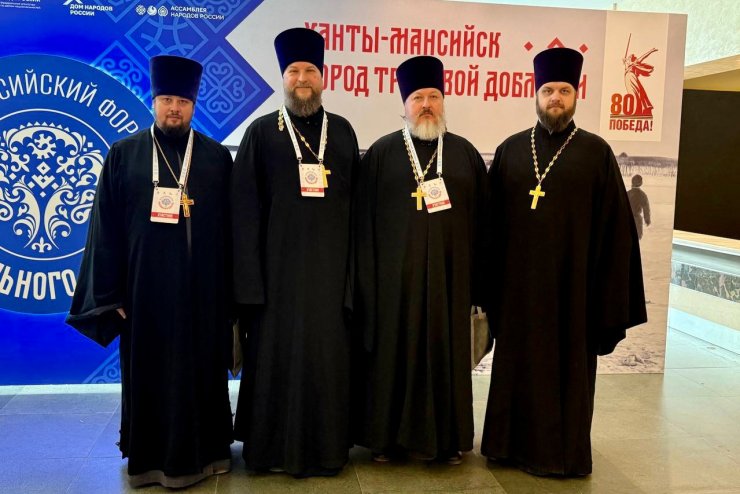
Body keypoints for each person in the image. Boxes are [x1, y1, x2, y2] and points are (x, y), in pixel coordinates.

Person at [66, 55, 234, 488]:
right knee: (151, 379)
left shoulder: (216, 158)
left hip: (203, 296)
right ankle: (149, 461)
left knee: (202, 374)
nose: (174, 109)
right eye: (166, 100)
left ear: (194, 105)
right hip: (144, 296)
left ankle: (210, 454)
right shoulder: (124, 155)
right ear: (154, 101)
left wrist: (231, 296)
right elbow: (104, 230)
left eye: (183, 101)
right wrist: (110, 296)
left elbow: (233, 231)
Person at [481, 47, 647, 477]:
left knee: (567, 374)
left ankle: (561, 456)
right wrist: (486, 289)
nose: (555, 97)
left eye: (564, 90)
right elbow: (489, 227)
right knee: (516, 368)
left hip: (573, 295)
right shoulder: (510, 151)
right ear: (536, 94)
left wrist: (606, 300)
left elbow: (616, 234)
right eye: (548, 90)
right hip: (517, 293)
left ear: (577, 94)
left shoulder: (596, 153)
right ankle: (505, 446)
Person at [230, 27, 360, 478]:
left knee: (326, 363)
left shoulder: (342, 131)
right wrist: (249, 289)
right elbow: (243, 214)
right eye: (293, 71)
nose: (302, 79)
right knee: (274, 363)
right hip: (275, 281)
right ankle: (270, 452)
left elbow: (357, 209)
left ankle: (326, 450)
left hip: (330, 279)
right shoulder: (260, 132)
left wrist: (352, 282)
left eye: (309, 71)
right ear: (282, 78)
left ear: (323, 77)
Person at [352, 56, 489, 465]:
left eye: (433, 96)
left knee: (445, 357)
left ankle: (446, 441)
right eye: (417, 97)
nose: (426, 104)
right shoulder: (381, 153)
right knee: (391, 357)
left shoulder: (465, 154)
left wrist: (477, 285)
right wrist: (367, 284)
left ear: (443, 101)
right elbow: (362, 224)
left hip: (450, 283)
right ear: (404, 104)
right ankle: (386, 440)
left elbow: (484, 223)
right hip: (393, 285)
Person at [628, 174, 651, 239]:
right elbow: (646, 208)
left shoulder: (627, 193)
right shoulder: (642, 195)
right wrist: (647, 220)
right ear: (641, 183)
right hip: (637, 220)